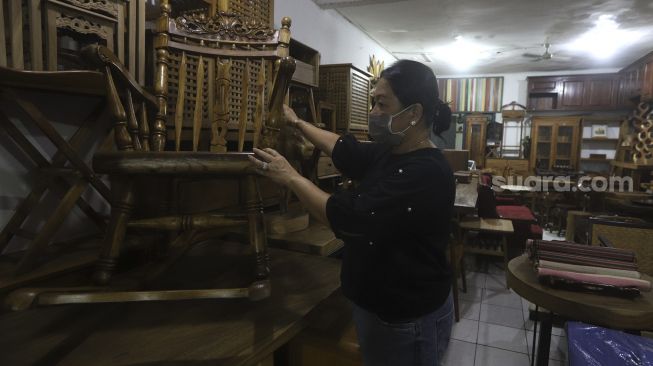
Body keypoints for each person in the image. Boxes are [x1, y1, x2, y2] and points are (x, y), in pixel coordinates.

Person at [248, 59, 455, 366]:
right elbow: (347, 149)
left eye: (381, 104)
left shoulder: (426, 172)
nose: (373, 113)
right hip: (377, 308)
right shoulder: (393, 150)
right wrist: (296, 122)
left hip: (406, 319)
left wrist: (289, 176)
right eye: (373, 102)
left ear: (414, 114)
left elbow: (349, 217)